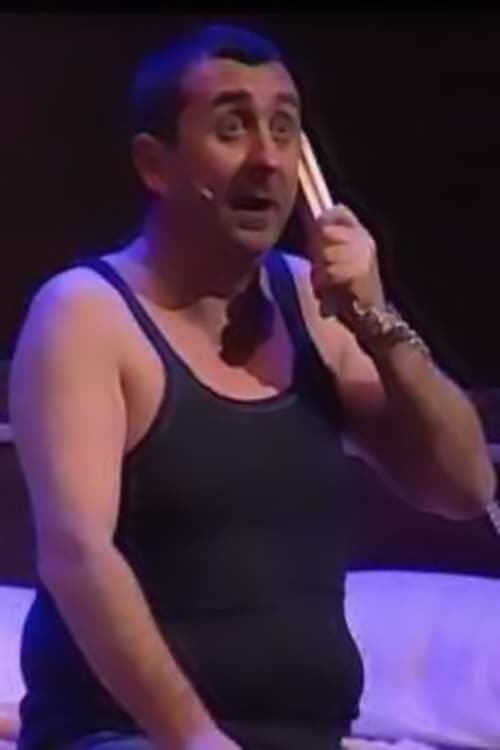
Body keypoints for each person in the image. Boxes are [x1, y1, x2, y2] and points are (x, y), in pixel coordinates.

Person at [9, 22, 496, 750]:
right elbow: (78, 555)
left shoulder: (313, 305)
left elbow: (465, 488)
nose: (267, 158)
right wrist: (196, 739)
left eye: (284, 128)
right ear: (155, 164)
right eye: (232, 128)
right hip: (127, 736)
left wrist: (377, 320)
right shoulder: (85, 316)